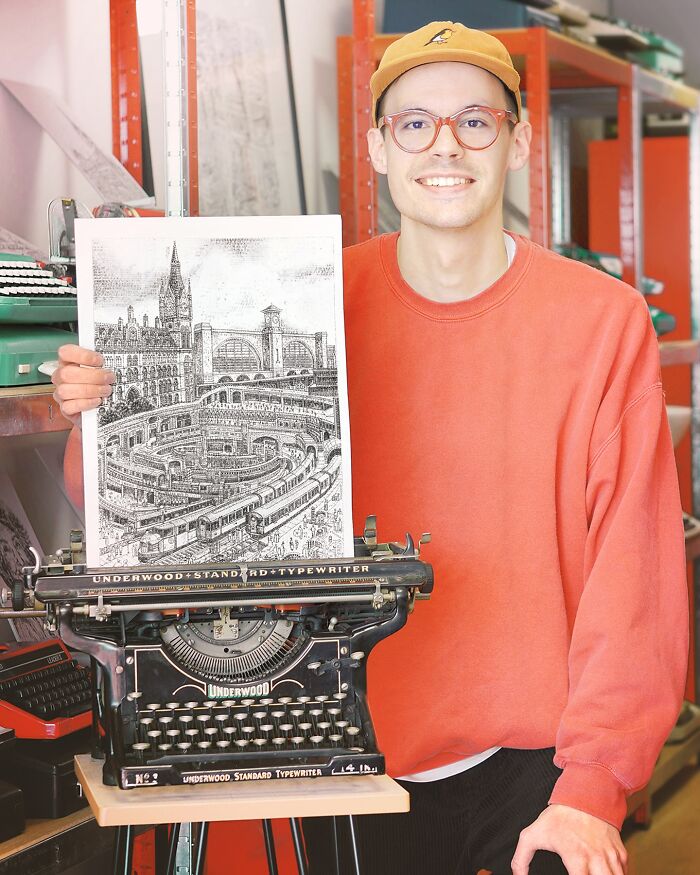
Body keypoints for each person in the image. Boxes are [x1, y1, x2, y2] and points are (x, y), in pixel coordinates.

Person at [52, 21, 687, 875]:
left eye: (475, 120)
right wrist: (94, 411)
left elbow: (634, 577)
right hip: (342, 745)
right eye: (414, 123)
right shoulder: (324, 300)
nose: (445, 145)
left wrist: (592, 788)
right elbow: (120, 510)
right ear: (380, 149)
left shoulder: (602, 321)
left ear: (520, 142)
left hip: (540, 764)